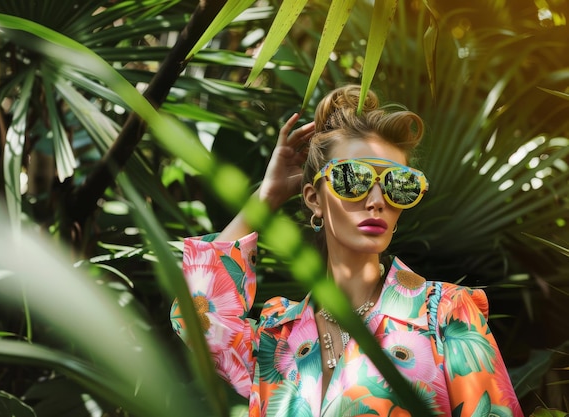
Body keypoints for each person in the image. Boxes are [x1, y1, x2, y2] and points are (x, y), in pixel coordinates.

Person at [170, 85, 523, 416]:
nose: (376, 200)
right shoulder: (278, 336)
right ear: (313, 199)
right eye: (353, 178)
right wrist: (267, 197)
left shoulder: (445, 316)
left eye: (397, 185)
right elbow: (196, 317)